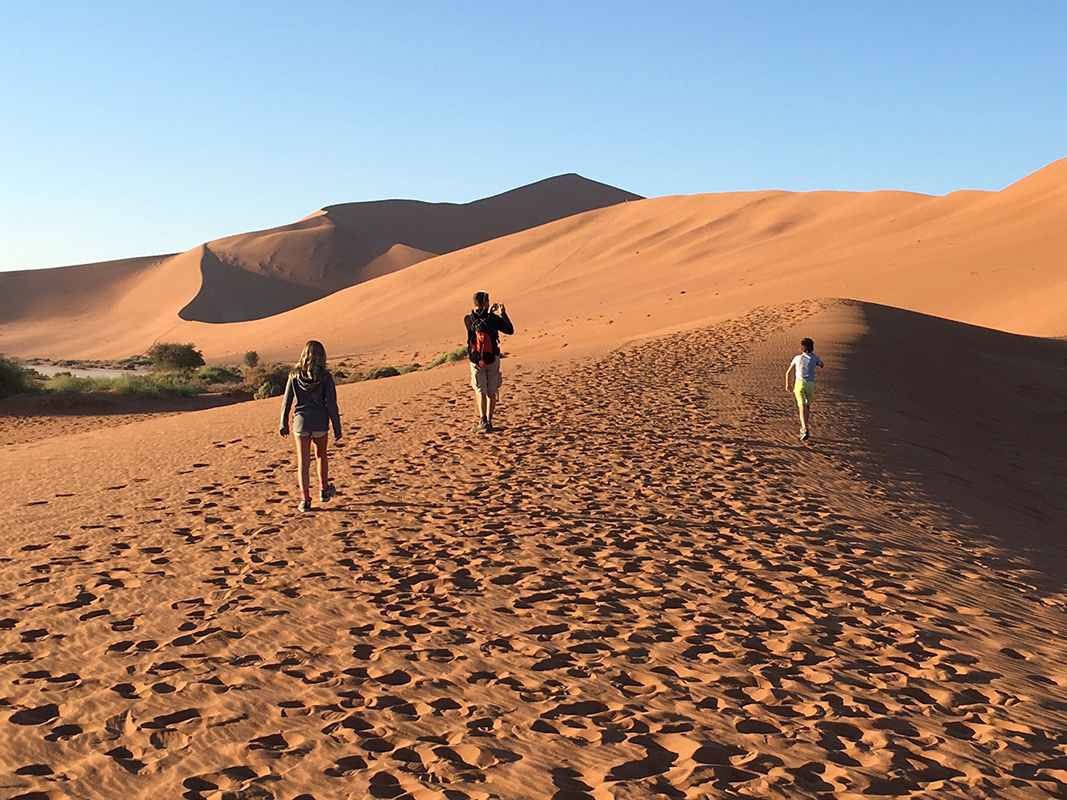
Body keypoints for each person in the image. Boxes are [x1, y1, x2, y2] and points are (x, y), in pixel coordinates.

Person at [279, 340, 342, 511]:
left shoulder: (294, 376)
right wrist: (337, 427)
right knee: (321, 456)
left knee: (303, 462)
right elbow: (331, 404)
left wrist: (283, 423)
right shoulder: (325, 377)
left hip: (300, 423)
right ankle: (323, 490)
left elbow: (287, 402)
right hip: (320, 422)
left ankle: (305, 500)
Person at [464, 291, 514, 432]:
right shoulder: (493, 319)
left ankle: (482, 422)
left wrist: (487, 312)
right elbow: (509, 330)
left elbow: (474, 327)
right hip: (492, 359)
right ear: (486, 303)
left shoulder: (468, 319)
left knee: (480, 390)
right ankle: (489, 421)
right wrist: (501, 313)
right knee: (492, 390)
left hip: (476, 361)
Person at [786, 338, 825, 441]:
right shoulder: (815, 357)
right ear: (812, 348)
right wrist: (818, 363)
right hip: (810, 385)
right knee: (807, 406)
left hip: (799, 385)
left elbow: (788, 372)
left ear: (801, 349)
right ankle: (804, 426)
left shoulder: (796, 358)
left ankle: (804, 428)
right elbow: (821, 365)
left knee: (801, 407)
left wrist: (787, 385)